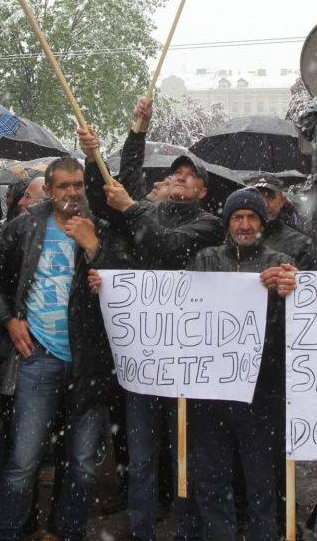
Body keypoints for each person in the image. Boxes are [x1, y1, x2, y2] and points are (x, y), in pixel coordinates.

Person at [0, 157, 134, 541]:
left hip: (89, 362)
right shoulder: (26, 226)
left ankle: (68, 531)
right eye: (63, 186)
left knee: (82, 464)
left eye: (77, 184)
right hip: (37, 358)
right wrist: (9, 321)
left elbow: (127, 282)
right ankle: (9, 532)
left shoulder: (100, 228)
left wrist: (94, 248)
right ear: (48, 190)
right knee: (23, 461)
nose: (72, 192)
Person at [82, 116, 224, 541]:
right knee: (142, 456)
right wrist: (117, 143)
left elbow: (167, 244)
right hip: (143, 356)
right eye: (175, 173)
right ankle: (140, 528)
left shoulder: (209, 224)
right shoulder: (151, 211)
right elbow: (112, 192)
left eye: (190, 175)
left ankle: (187, 530)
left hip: (184, 359)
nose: (180, 177)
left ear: (202, 191)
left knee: (182, 454)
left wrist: (131, 207)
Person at [185, 188, 297, 541]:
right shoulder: (205, 260)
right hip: (210, 389)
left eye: (252, 217)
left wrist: (288, 289)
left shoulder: (281, 261)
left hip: (260, 389)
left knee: (261, 477)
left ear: (262, 223)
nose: (245, 225)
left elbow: (299, 321)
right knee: (211, 475)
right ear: (228, 223)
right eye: (237, 217)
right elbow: (181, 309)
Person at [246, 173, 316, 269]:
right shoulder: (234, 239)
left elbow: (310, 276)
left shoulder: (301, 244)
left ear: (282, 201)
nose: (265, 204)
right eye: (257, 197)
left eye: (270, 197)